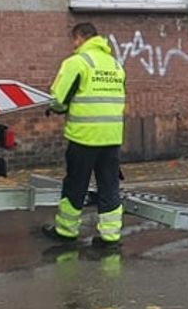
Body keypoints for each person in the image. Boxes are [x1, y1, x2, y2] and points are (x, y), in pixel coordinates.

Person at [42, 23, 126, 248]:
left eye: (74, 40)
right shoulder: (116, 65)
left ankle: (66, 230)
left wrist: (56, 109)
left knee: (75, 184)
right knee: (109, 186)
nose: (73, 45)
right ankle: (110, 236)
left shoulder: (76, 63)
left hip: (84, 136)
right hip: (112, 137)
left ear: (79, 38)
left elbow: (58, 99)